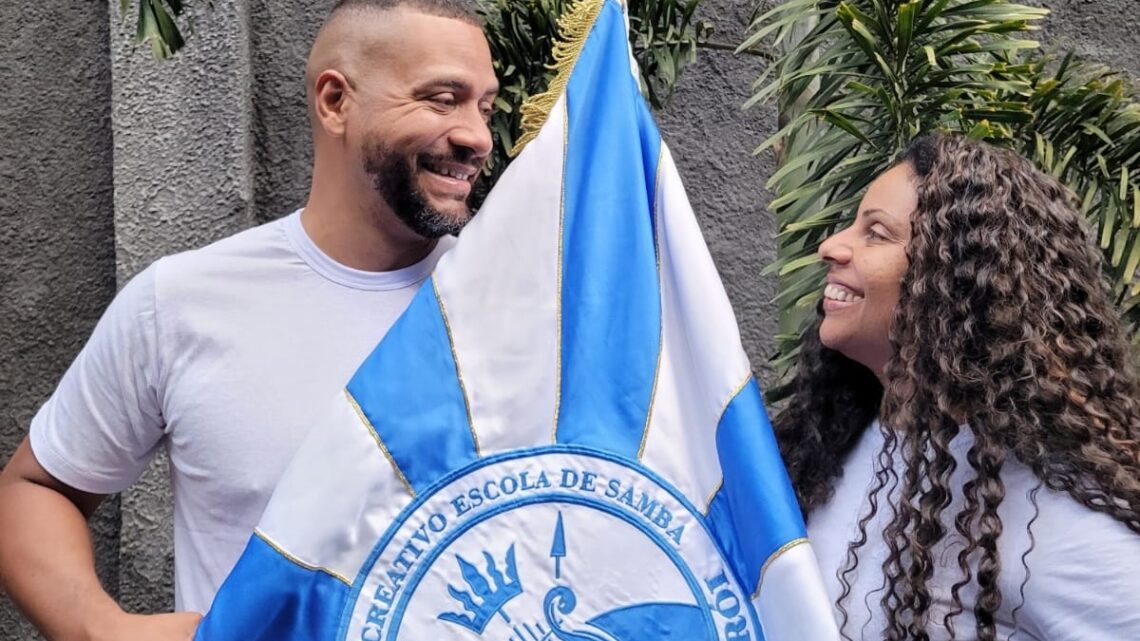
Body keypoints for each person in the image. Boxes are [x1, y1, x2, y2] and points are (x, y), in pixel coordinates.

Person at [0, 1, 498, 639]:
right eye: (441, 98)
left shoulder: (515, 308)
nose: (477, 136)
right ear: (335, 101)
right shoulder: (184, 301)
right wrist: (98, 627)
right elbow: (37, 488)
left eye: (483, 106)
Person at [774, 133, 1140, 641]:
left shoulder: (1052, 514)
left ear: (958, 282)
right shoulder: (846, 434)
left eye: (876, 233)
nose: (831, 246)